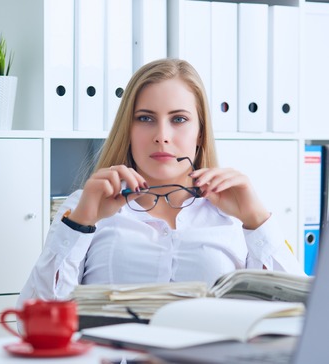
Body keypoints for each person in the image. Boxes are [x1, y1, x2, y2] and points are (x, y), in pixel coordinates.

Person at [18, 58, 305, 305]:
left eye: (179, 119)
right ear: (127, 130)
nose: (162, 136)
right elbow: (32, 321)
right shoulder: (84, 207)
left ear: (200, 133)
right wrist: (80, 223)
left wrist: (256, 220)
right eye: (145, 118)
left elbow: (295, 318)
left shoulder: (235, 217)